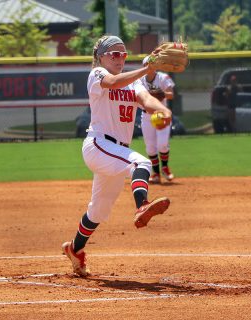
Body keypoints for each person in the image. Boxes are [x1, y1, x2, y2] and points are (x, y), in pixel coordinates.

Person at [62, 35, 172, 277]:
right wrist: (147, 68)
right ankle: (142, 206)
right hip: (98, 145)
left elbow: (146, 100)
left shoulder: (135, 84)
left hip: (115, 152)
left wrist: (162, 109)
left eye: (123, 54)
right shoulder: (97, 74)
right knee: (140, 162)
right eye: (114, 53)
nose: (120, 58)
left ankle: (75, 249)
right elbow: (112, 83)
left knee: (99, 211)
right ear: (101, 56)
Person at [140, 56, 176, 184]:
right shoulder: (139, 80)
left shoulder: (162, 77)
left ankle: (165, 167)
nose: (149, 67)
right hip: (146, 115)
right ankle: (155, 173)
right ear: (143, 66)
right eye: (147, 64)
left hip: (161, 114)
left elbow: (171, 94)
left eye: (152, 64)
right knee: (150, 147)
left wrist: (161, 93)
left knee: (162, 144)